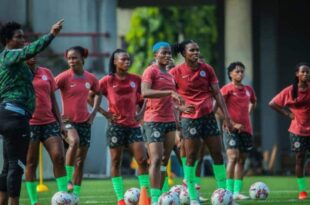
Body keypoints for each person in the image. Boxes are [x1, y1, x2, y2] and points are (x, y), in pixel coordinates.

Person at [0, 19, 63, 205]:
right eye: (18, 37)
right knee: (16, 166)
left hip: (8, 114)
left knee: (7, 166)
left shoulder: (13, 63)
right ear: (7, 40)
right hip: (15, 116)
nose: (22, 40)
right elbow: (30, 50)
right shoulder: (9, 56)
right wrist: (51, 34)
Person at [169, 40, 233, 205]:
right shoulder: (175, 72)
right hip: (190, 120)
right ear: (184, 53)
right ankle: (192, 197)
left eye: (197, 50)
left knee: (217, 155)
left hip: (208, 118)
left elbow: (218, 94)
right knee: (191, 157)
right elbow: (168, 96)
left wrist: (226, 117)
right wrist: (180, 108)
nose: (196, 53)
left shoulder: (207, 69)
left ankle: (225, 196)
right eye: (192, 50)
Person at [89, 49, 150, 205]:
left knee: (142, 160)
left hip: (134, 126)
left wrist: (141, 113)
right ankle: (120, 199)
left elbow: (146, 97)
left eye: (128, 59)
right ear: (115, 62)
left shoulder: (136, 79)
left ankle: (145, 197)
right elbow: (90, 96)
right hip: (116, 126)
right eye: (123, 59)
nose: (127, 62)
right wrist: (105, 113)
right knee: (116, 162)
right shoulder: (106, 80)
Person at [55, 46, 101, 200]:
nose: (71, 61)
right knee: (74, 142)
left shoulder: (91, 78)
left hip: (85, 122)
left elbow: (99, 93)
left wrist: (93, 112)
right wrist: (56, 116)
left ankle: (75, 196)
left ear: (82, 59)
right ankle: (68, 179)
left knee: (80, 162)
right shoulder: (63, 77)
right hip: (67, 121)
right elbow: (48, 91)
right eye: (69, 58)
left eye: (74, 58)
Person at [141, 42, 184, 205]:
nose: (167, 56)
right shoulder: (150, 71)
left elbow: (171, 101)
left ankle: (160, 197)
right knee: (156, 159)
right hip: (154, 120)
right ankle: (153, 199)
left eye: (169, 53)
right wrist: (170, 92)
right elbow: (145, 92)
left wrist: (181, 110)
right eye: (163, 53)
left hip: (170, 121)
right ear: (155, 55)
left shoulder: (170, 75)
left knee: (165, 160)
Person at [24, 54, 67, 205]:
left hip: (49, 122)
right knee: (30, 163)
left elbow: (53, 99)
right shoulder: (18, 74)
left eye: (35, 53)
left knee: (59, 158)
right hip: (29, 123)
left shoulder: (46, 72)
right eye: (29, 54)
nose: (33, 56)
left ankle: (63, 197)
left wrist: (60, 123)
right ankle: (34, 201)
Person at [269, 62, 310, 200]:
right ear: (297, 74)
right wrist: (288, 114)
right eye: (302, 72)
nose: (305, 74)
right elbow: (272, 103)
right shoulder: (290, 90)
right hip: (297, 130)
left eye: (307, 72)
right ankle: (302, 191)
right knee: (300, 159)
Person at [219, 62, 257, 200]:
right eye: (237, 71)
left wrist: (247, 113)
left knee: (242, 160)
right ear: (230, 74)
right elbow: (217, 108)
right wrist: (232, 123)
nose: (240, 74)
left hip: (246, 129)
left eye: (242, 71)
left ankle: (236, 192)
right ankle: (228, 192)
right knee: (233, 157)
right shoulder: (226, 89)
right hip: (230, 129)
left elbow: (253, 101)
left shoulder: (249, 89)